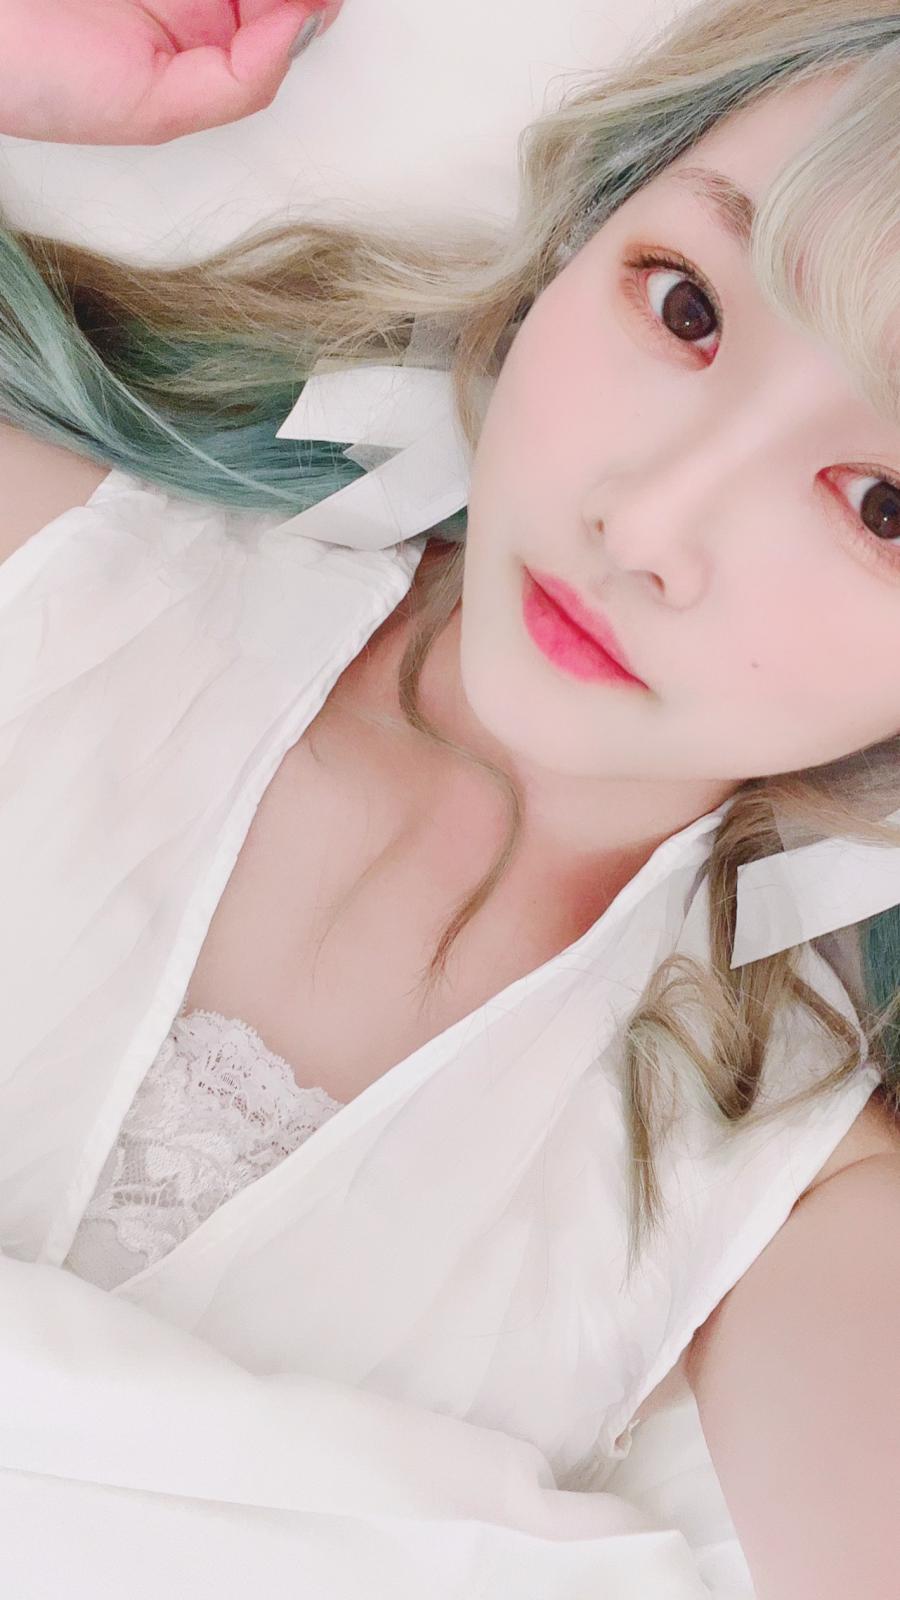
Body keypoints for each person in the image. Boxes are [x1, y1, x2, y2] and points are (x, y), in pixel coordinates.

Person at [0, 2, 899, 1596]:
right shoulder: (67, 569)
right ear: (578, 239)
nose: (646, 522)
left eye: (885, 506)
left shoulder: (782, 1167)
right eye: (684, 305)